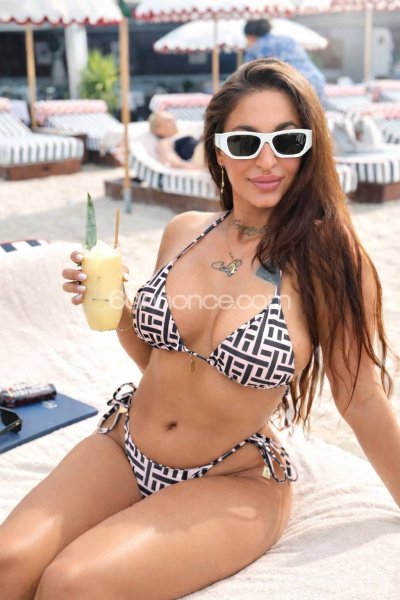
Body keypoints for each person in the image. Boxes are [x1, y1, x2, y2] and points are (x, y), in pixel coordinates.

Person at [1, 58, 399, 599]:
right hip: (126, 443)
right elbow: (159, 362)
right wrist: (118, 308)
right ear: (218, 150)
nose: (266, 160)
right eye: (245, 142)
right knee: (7, 563)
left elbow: (362, 399)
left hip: (232, 477)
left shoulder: (329, 258)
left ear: (309, 149)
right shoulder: (184, 232)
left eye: (287, 141)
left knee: (73, 584)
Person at [244, 18, 326, 100]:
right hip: (316, 81)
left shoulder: (256, 47)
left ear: (250, 36)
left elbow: (248, 76)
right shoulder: (287, 39)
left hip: (294, 86)